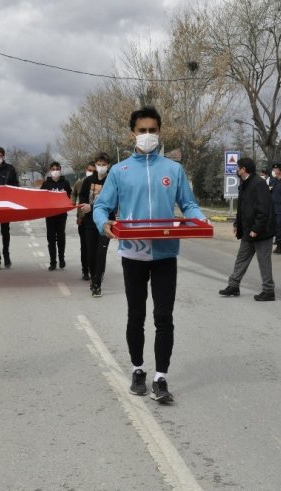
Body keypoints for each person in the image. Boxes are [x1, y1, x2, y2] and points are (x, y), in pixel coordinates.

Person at [93, 106, 207, 404]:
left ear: (159, 132)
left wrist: (200, 219)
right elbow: (101, 206)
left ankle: (160, 377)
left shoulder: (173, 169)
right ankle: (138, 369)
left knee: (164, 317)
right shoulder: (120, 171)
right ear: (132, 133)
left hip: (166, 253)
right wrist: (103, 223)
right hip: (133, 254)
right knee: (136, 315)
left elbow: (189, 204)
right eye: (142, 130)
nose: (147, 135)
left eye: (152, 130)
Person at [219, 157, 276, 301]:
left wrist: (256, 229)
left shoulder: (259, 184)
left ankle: (268, 291)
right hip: (248, 230)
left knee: (264, 261)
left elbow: (264, 209)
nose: (236, 170)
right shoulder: (245, 184)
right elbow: (243, 208)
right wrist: (237, 224)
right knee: (241, 258)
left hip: (261, 232)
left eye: (238, 168)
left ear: (243, 169)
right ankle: (233, 286)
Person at [79, 154, 113, 297]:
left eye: (103, 164)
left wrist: (92, 206)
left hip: (106, 223)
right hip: (89, 223)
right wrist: (83, 209)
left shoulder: (111, 181)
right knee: (91, 255)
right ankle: (94, 275)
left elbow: (112, 202)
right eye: (98, 164)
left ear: (108, 165)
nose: (101, 167)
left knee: (101, 254)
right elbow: (82, 198)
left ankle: (97, 283)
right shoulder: (88, 181)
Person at [40, 161, 72, 270]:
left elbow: (69, 196)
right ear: (50, 170)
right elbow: (41, 198)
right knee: (51, 238)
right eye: (53, 169)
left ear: (60, 169)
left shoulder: (65, 183)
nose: (55, 171)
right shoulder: (46, 184)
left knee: (61, 237)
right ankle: (53, 261)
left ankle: (61, 258)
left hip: (62, 215)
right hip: (50, 215)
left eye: (57, 169)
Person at [71, 161, 96, 281]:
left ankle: (95, 270)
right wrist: (79, 215)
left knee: (95, 247)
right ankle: (85, 270)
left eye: (93, 171)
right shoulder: (80, 182)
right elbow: (75, 196)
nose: (91, 173)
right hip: (84, 219)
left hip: (96, 218)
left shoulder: (99, 183)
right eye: (89, 170)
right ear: (86, 169)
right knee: (85, 246)